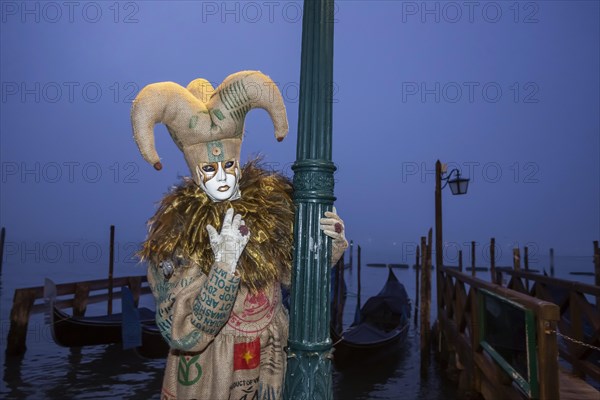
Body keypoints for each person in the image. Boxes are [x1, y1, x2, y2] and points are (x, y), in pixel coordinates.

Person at [131, 70, 347, 400]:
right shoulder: (176, 234)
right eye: (209, 168)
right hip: (212, 371)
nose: (221, 177)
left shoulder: (268, 211)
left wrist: (326, 244)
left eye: (227, 166)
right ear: (194, 167)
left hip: (269, 362)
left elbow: (291, 277)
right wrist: (225, 267)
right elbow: (184, 334)